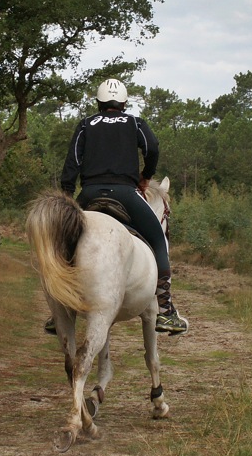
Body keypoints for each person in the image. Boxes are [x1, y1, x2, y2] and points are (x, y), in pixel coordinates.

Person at [48, 78, 189, 336]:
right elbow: (152, 147)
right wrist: (147, 175)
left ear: (99, 103)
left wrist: (68, 196)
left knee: (61, 242)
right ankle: (166, 310)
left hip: (89, 193)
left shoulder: (85, 124)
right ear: (124, 103)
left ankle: (58, 307)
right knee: (158, 239)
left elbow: (72, 162)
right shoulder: (135, 123)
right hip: (125, 193)